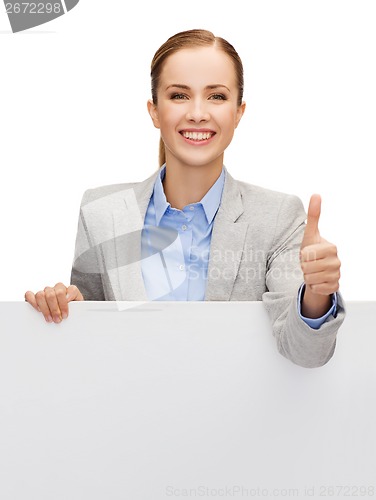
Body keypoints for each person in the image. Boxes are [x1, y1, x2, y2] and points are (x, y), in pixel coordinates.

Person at [25, 29, 345, 368]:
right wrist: (63, 307)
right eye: (179, 95)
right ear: (154, 111)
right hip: (128, 414)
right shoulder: (101, 213)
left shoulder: (277, 216)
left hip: (234, 415)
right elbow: (90, 345)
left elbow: (306, 353)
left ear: (238, 112)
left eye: (217, 97)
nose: (197, 113)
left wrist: (317, 294)